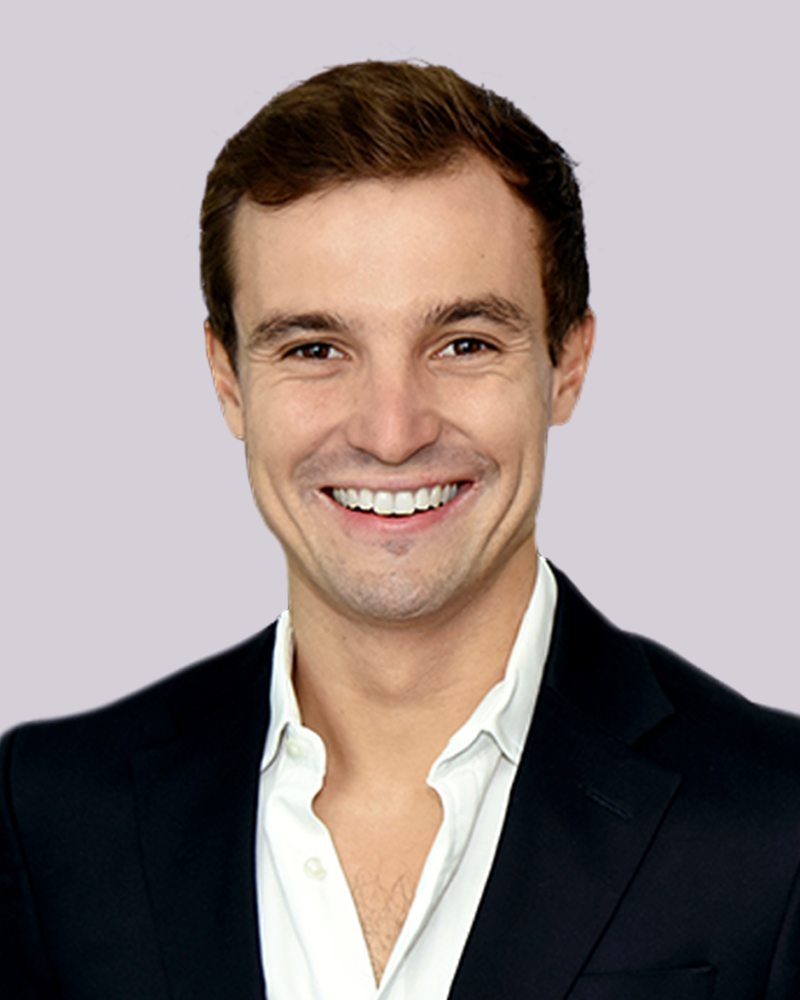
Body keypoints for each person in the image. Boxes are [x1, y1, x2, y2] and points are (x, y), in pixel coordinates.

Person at [2, 60, 799, 1000]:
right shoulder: (52, 817)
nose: (391, 432)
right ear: (228, 381)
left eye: (464, 344)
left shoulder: (776, 823)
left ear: (568, 362)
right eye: (315, 348)